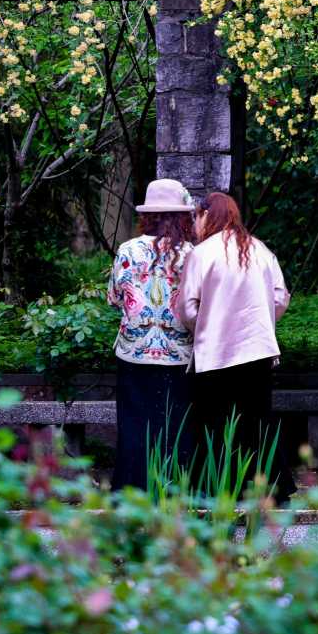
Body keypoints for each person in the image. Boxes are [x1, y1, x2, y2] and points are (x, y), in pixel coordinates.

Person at [177, 191, 289, 488]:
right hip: (258, 350)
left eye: (196, 217)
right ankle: (272, 489)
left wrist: (206, 325)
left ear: (206, 215)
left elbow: (187, 307)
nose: (194, 225)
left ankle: (214, 488)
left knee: (213, 423)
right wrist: (259, 323)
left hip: (215, 352)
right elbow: (280, 297)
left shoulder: (200, 254)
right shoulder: (260, 250)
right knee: (257, 422)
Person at [106, 178, 199, 491]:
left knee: (135, 424)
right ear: (182, 216)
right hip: (179, 351)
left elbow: (116, 297)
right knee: (177, 424)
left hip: (134, 350)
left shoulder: (128, 249)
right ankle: (175, 488)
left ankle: (132, 489)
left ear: (148, 215)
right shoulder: (192, 254)